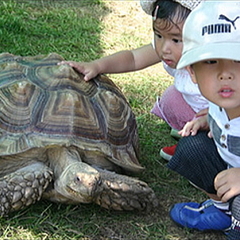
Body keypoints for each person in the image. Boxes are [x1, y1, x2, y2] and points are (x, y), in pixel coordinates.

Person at [59, 0, 208, 161]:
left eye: (176, 40)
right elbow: (133, 58)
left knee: (206, 147)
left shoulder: (218, 63)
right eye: (158, 35)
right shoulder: (169, 49)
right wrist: (97, 66)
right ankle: (187, 128)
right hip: (198, 107)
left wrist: (212, 118)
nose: (164, 47)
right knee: (171, 98)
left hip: (224, 118)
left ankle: (196, 140)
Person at [167, 1, 240, 239]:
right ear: (192, 72)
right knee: (192, 148)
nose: (226, 73)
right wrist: (208, 119)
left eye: (239, 60)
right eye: (211, 61)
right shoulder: (221, 102)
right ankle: (221, 211)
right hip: (231, 174)